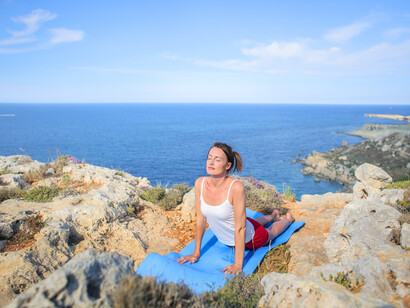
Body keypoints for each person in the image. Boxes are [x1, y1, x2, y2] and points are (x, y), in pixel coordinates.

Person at [177, 142, 295, 275]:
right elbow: (201, 219)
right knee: (250, 221)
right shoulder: (200, 183)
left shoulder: (235, 187)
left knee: (270, 232)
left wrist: (238, 265)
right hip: (240, 226)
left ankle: (287, 220)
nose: (211, 162)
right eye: (209, 157)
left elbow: (241, 228)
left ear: (228, 165)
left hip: (250, 238)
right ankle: (273, 216)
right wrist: (196, 253)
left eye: (217, 159)